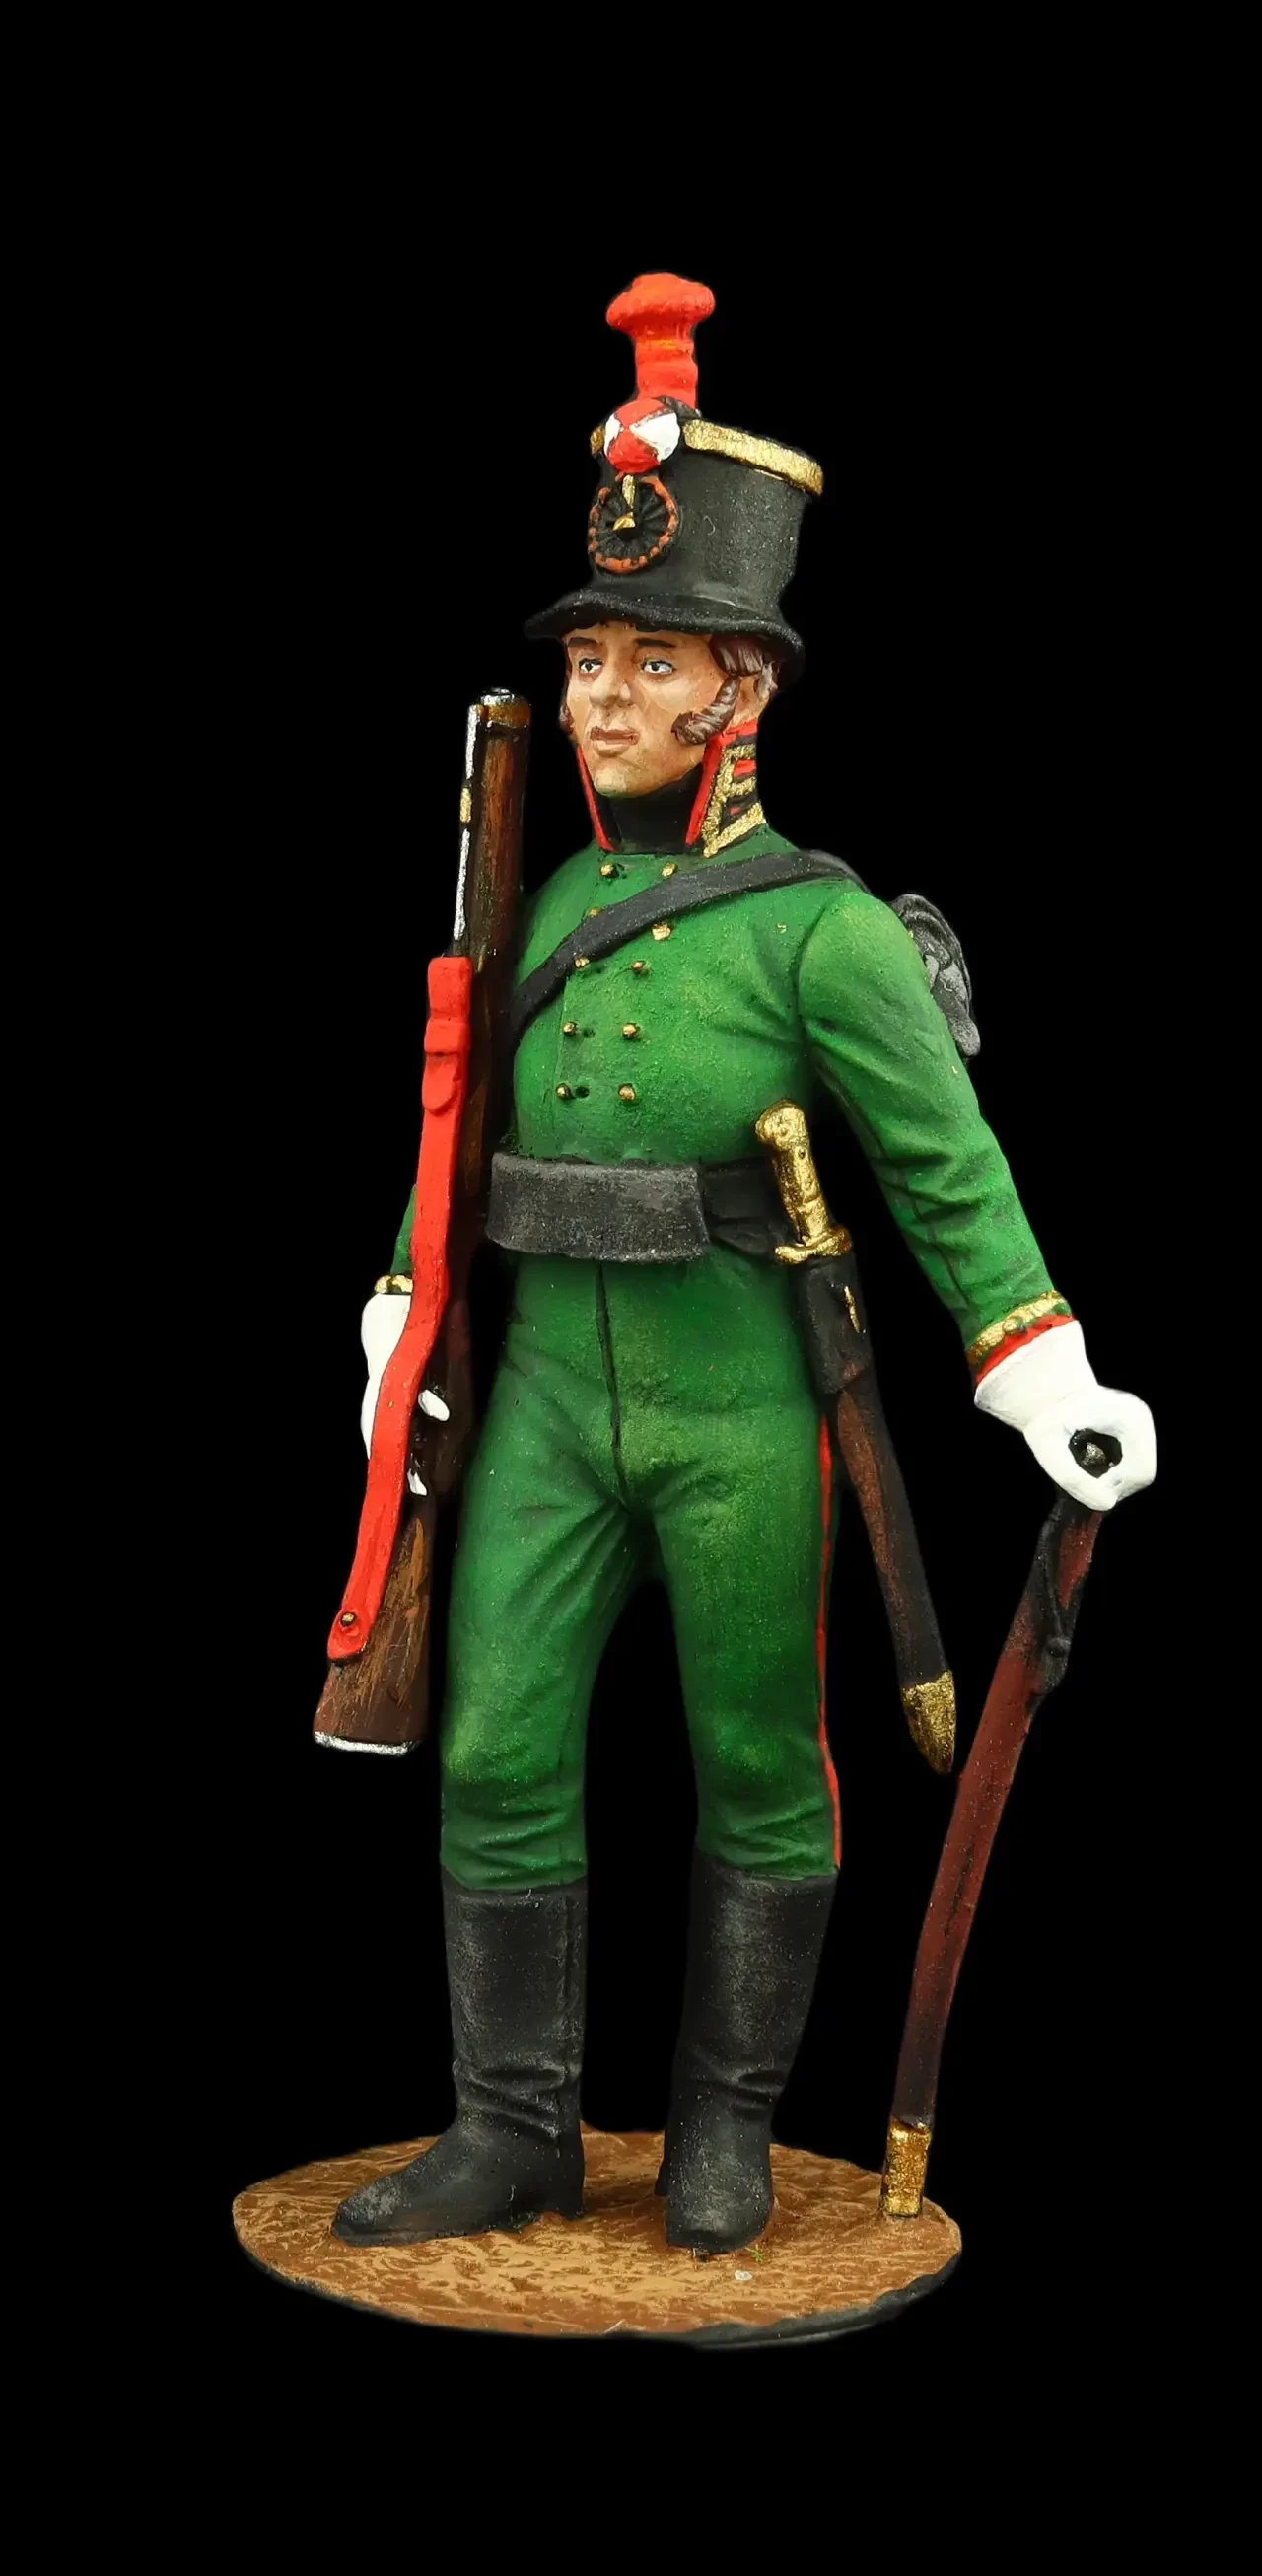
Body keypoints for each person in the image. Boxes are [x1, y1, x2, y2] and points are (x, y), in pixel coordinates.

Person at [332, 274, 1155, 2256]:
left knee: (758, 1761)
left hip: (739, 1405)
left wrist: (1045, 1371)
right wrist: (400, 1318)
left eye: (652, 659)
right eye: (588, 656)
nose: (604, 696)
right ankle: (511, 2126)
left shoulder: (823, 931)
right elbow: (456, 1133)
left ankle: (724, 2126)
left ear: (744, 691)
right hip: (542, 1399)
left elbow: (949, 1179)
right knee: (497, 1743)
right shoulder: (547, 894)